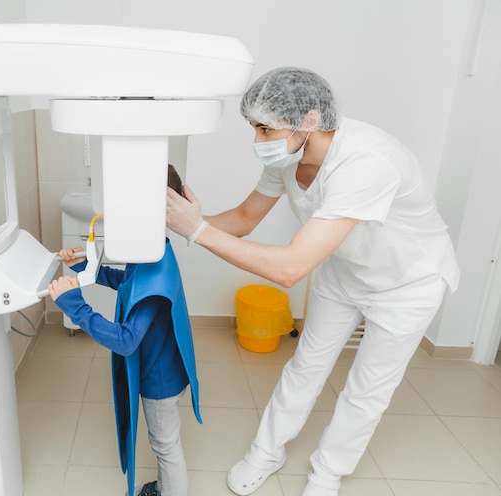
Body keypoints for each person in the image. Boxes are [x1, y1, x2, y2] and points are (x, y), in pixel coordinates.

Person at [166, 67, 459, 496]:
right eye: (253, 128)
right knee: (306, 365)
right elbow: (245, 219)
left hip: (408, 284)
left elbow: (290, 268)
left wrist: (198, 232)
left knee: (367, 388)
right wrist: (181, 221)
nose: (257, 142)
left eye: (265, 129)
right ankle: (267, 452)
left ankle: (328, 472)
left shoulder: (365, 163)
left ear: (309, 120)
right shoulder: (288, 156)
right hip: (344, 271)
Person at [49, 164, 202, 496]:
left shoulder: (154, 275)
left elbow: (126, 340)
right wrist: (86, 269)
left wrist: (75, 305)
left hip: (159, 380)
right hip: (164, 366)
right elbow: (127, 283)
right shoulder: (152, 253)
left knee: (165, 445)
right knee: (166, 442)